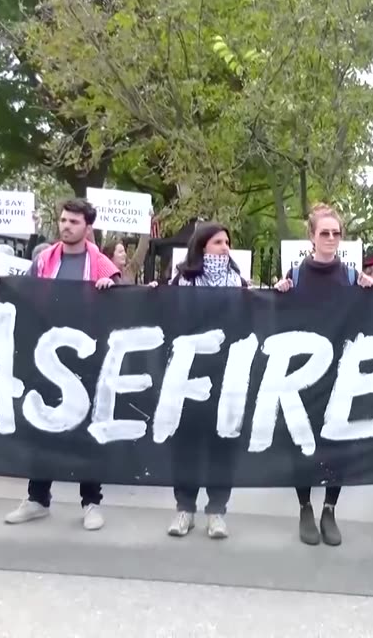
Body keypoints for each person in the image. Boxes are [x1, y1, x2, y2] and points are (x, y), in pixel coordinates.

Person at [5, 198, 120, 531]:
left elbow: (121, 305)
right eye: (63, 220)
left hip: (85, 357)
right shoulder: (44, 260)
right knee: (41, 426)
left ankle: (91, 502)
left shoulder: (100, 264)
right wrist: (2, 285)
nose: (66, 226)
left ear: (88, 227)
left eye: (74, 221)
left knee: (87, 429)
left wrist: (110, 289)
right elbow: (25, 294)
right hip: (47, 353)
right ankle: (38, 499)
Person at [273, 203, 373, 546]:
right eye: (325, 233)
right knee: (301, 441)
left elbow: (367, 319)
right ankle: (305, 507)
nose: (331, 238)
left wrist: (369, 293)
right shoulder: (295, 275)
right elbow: (278, 321)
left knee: (338, 441)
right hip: (303, 374)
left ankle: (329, 509)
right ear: (312, 237)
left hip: (340, 374)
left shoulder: (351, 276)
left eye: (336, 233)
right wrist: (279, 295)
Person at [165, 222, 251, 540]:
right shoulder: (181, 282)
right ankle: (184, 508)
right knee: (186, 442)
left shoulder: (239, 284)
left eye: (227, 242)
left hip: (227, 374)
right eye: (218, 242)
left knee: (223, 442)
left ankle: (217, 511)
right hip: (188, 374)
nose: (225, 248)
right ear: (203, 247)